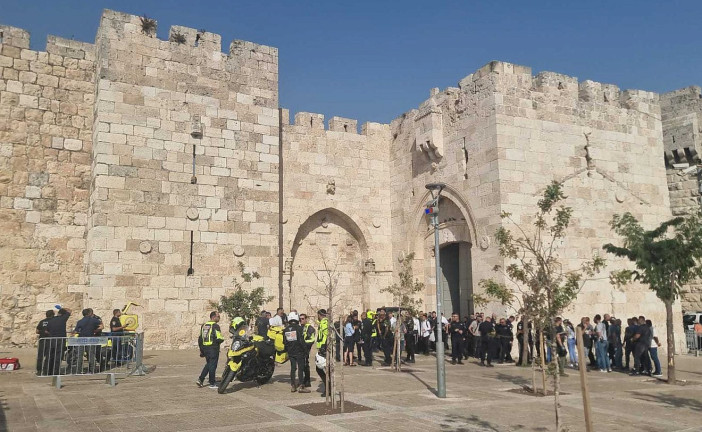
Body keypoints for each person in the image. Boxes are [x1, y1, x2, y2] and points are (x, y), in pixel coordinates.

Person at [283, 312, 310, 393]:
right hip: (299, 351)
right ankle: (301, 386)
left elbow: (285, 342)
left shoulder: (286, 329)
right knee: (300, 368)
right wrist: (305, 350)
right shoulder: (299, 328)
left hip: (291, 352)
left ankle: (293, 385)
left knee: (293, 368)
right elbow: (301, 341)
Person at [197, 311, 224, 389]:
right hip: (213, 348)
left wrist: (201, 349)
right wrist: (222, 340)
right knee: (213, 365)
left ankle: (200, 379)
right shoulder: (215, 326)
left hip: (205, 348)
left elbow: (200, 338)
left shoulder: (204, 325)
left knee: (209, 364)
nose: (219, 318)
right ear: (213, 317)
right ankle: (212, 383)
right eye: (218, 316)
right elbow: (219, 338)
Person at [74, 308, 103, 373]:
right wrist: (95, 330)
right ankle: (92, 370)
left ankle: (78, 371)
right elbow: (101, 326)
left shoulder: (80, 321)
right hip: (90, 339)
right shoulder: (94, 320)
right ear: (89, 313)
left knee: (79, 356)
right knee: (91, 355)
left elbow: (76, 331)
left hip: (81, 339)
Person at [45, 307, 71, 375]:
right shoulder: (63, 319)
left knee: (51, 356)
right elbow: (70, 310)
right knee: (58, 356)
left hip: (51, 340)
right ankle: (56, 371)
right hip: (60, 340)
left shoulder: (51, 320)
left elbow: (46, 331)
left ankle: (48, 371)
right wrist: (62, 308)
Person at [35, 310, 54, 374]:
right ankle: (46, 370)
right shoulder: (53, 321)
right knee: (48, 356)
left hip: (42, 340)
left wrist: (42, 332)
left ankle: (39, 370)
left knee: (40, 356)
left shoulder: (42, 321)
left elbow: (37, 331)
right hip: (49, 340)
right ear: (52, 315)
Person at [315, 309, 329, 397]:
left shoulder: (324, 323)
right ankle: (328, 387)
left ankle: (328, 389)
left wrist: (324, 347)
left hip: (324, 349)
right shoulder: (323, 322)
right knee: (321, 368)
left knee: (322, 369)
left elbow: (327, 335)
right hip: (323, 348)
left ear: (320, 315)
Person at [300, 313, 315, 386]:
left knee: (305, 364)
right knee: (302, 365)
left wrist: (304, 344)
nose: (301, 320)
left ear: (306, 319)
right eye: (300, 319)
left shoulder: (310, 328)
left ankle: (307, 380)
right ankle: (305, 380)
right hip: (301, 349)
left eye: (302, 319)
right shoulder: (300, 327)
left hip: (306, 348)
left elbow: (311, 340)